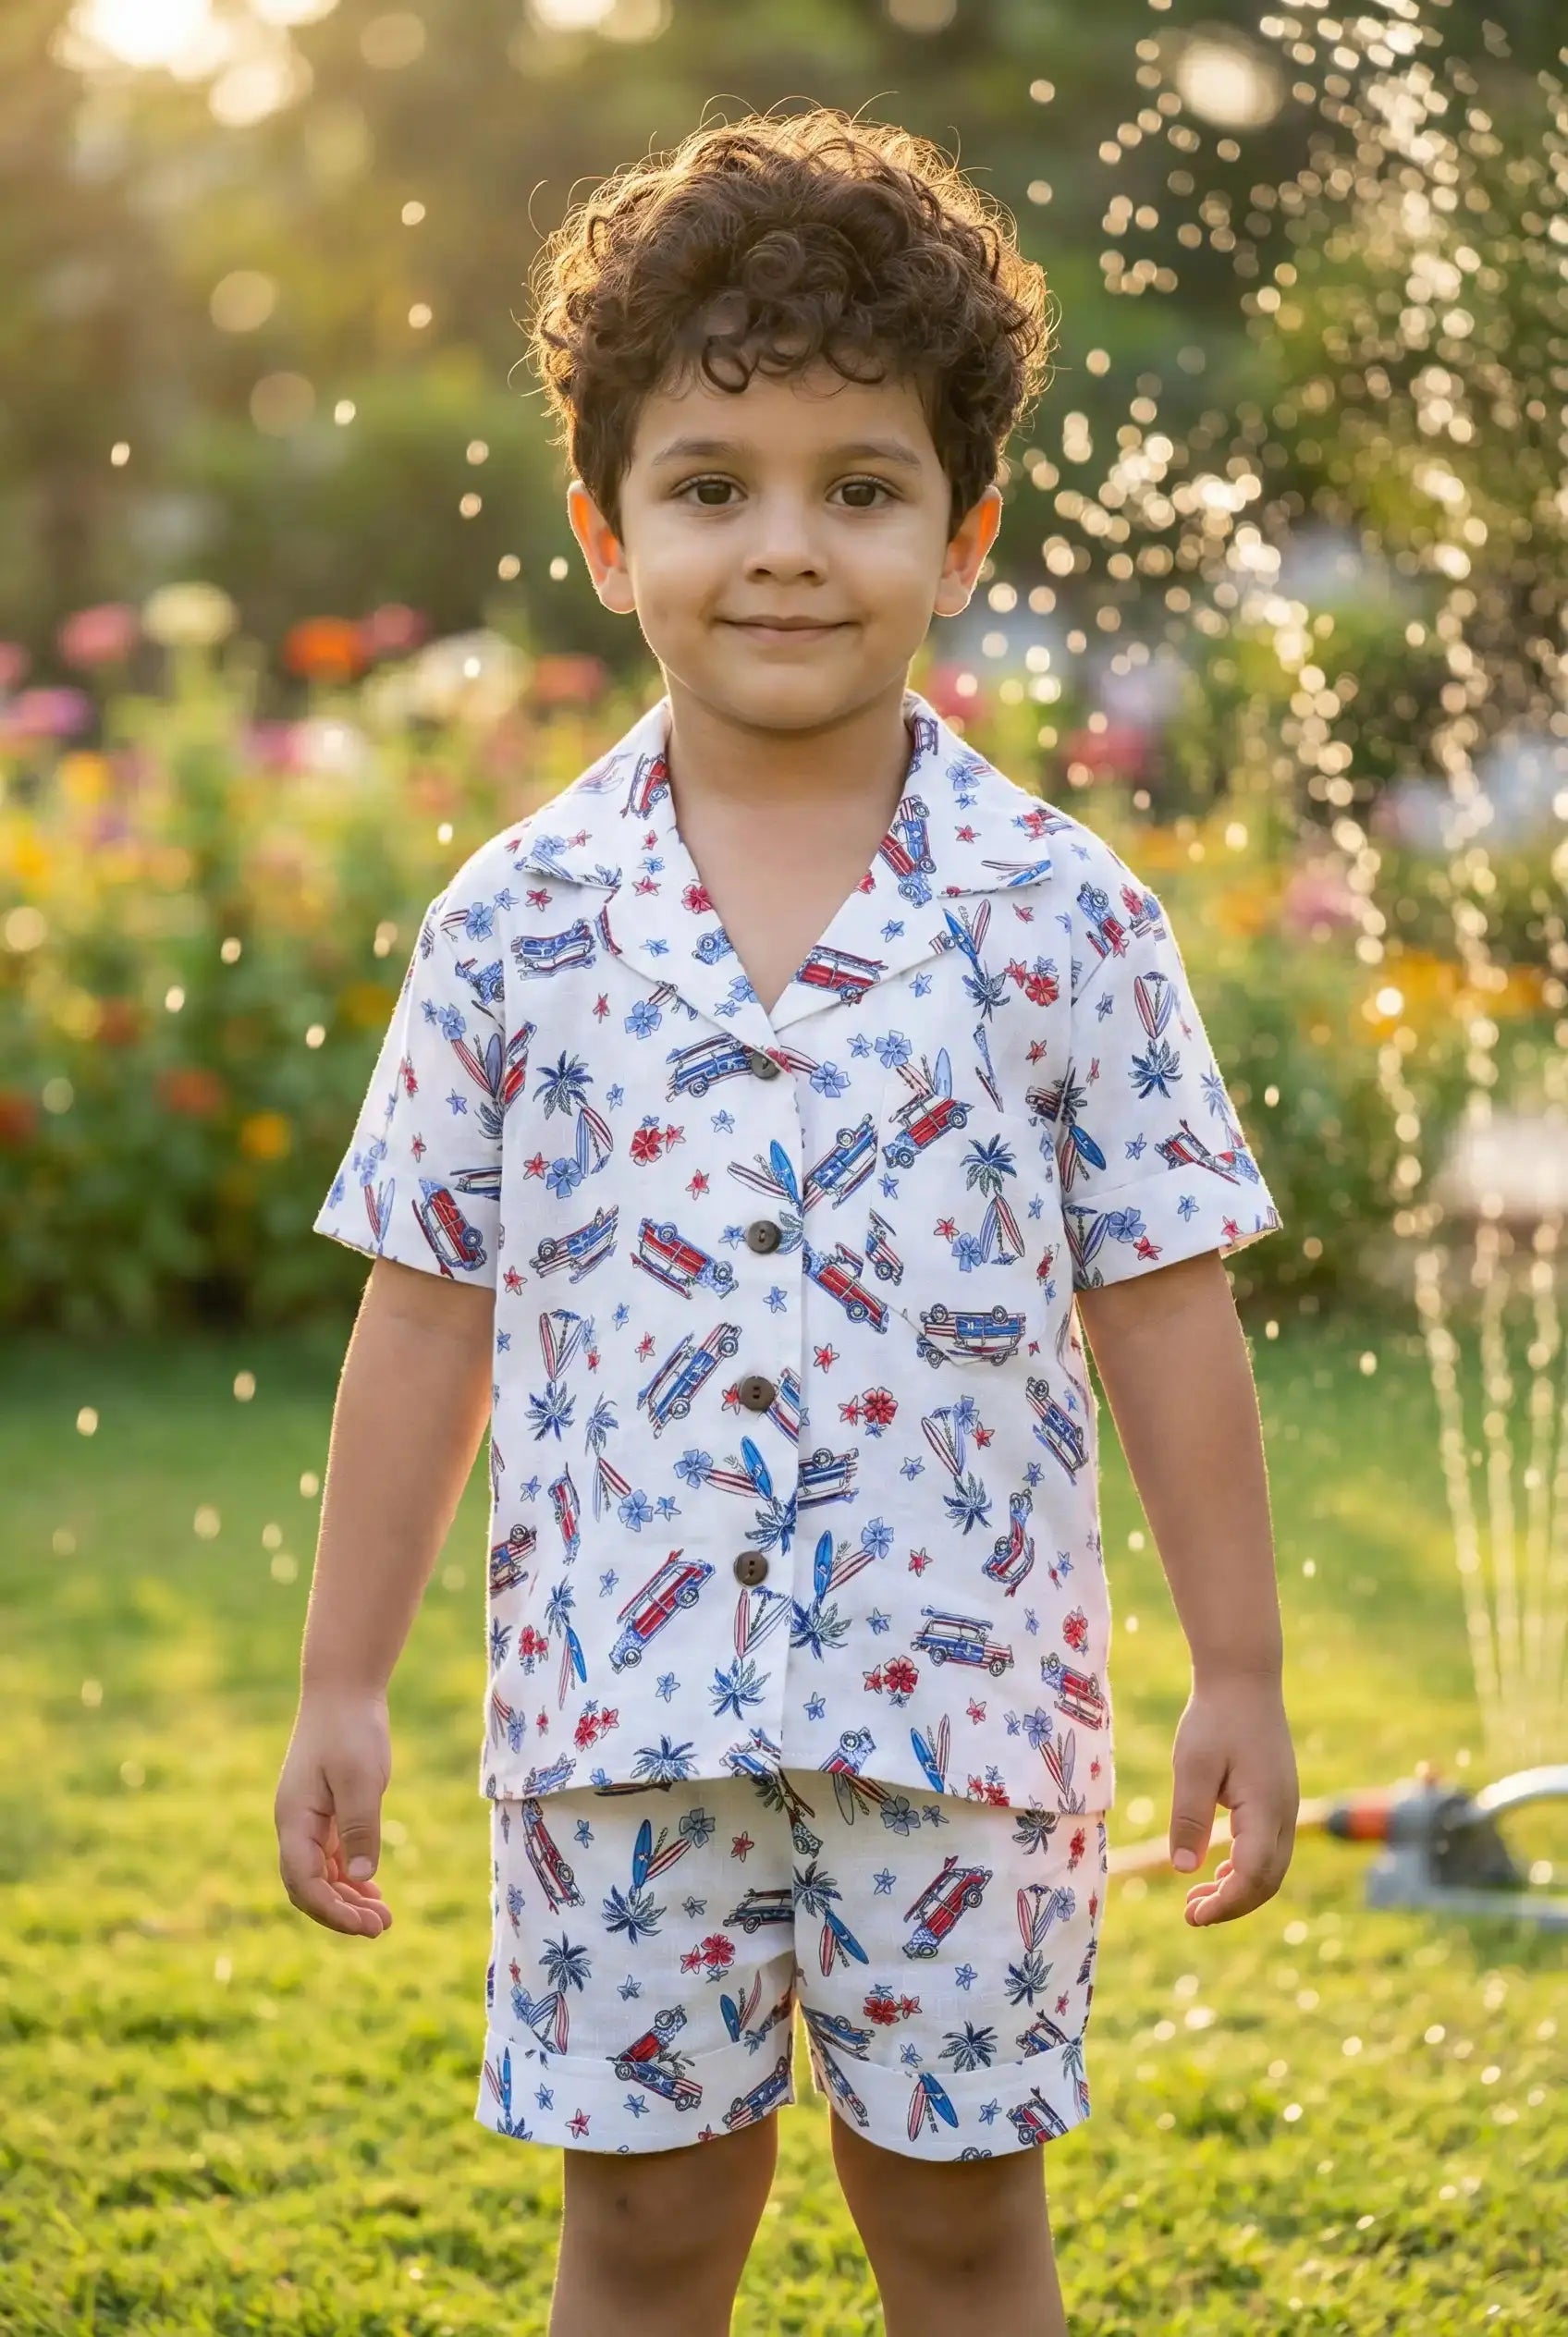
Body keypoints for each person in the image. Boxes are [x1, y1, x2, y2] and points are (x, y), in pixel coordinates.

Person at [275, 105, 1297, 2337]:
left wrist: (1238, 1664)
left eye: (861, 487)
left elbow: (1164, 1308)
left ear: (964, 530)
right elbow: (423, 1318)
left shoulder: (1062, 924)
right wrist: (340, 1677)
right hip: (613, 1726)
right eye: (709, 487)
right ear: (601, 528)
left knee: (955, 2228)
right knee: (639, 2231)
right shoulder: (514, 925)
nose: (784, 549)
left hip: (964, 1725)